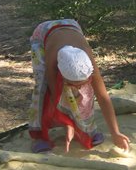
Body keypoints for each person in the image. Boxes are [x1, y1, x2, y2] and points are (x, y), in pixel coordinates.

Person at [28, 19, 130, 153]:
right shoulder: (52, 60)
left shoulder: (89, 63)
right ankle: (39, 136)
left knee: (86, 94)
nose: (77, 87)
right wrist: (68, 124)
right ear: (61, 74)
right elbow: (55, 95)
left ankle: (88, 130)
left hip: (71, 27)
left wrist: (115, 133)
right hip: (43, 35)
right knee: (41, 88)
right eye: (72, 84)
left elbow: (103, 97)